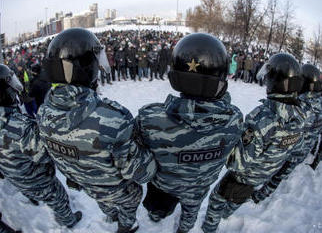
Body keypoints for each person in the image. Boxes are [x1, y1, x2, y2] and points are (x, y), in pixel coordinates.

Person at [37, 28, 156, 233]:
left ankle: (110, 215)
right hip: (119, 190)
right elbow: (140, 172)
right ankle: (126, 226)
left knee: (105, 203)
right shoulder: (112, 118)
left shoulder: (43, 113)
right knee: (129, 203)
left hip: (88, 186)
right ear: (87, 67)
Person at [135, 33, 243, 233]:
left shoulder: (149, 118)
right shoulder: (234, 119)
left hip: (163, 185)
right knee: (191, 211)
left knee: (159, 206)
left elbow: (138, 165)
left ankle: (157, 215)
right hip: (199, 187)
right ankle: (184, 229)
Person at [202, 53, 306, 233]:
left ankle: (208, 228)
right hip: (262, 177)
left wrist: (226, 143)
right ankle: (227, 214)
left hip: (242, 178)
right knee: (237, 200)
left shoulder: (263, 118)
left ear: (275, 81)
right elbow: (296, 151)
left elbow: (238, 164)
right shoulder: (301, 116)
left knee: (216, 199)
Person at [0, 64, 81, 229]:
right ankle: (69, 221)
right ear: (4, 90)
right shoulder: (22, 127)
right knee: (59, 198)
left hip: (16, 177)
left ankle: (33, 197)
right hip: (38, 180)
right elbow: (48, 155)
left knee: (30, 190)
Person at [250, 64, 322, 203]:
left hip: (289, 148)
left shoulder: (302, 104)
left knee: (276, 173)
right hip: (303, 150)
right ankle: (263, 195)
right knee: (281, 175)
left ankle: (259, 195)